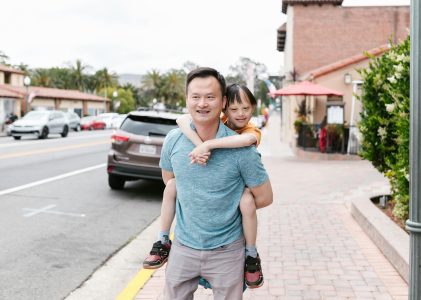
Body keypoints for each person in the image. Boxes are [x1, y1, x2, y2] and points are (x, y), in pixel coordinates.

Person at [147, 67, 273, 300]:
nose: (202, 103)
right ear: (187, 99)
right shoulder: (174, 140)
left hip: (228, 251)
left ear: (222, 101)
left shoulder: (243, 149)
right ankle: (162, 242)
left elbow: (265, 198)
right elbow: (171, 183)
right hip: (183, 247)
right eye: (195, 96)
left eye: (210, 97)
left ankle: (252, 256)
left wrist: (239, 201)